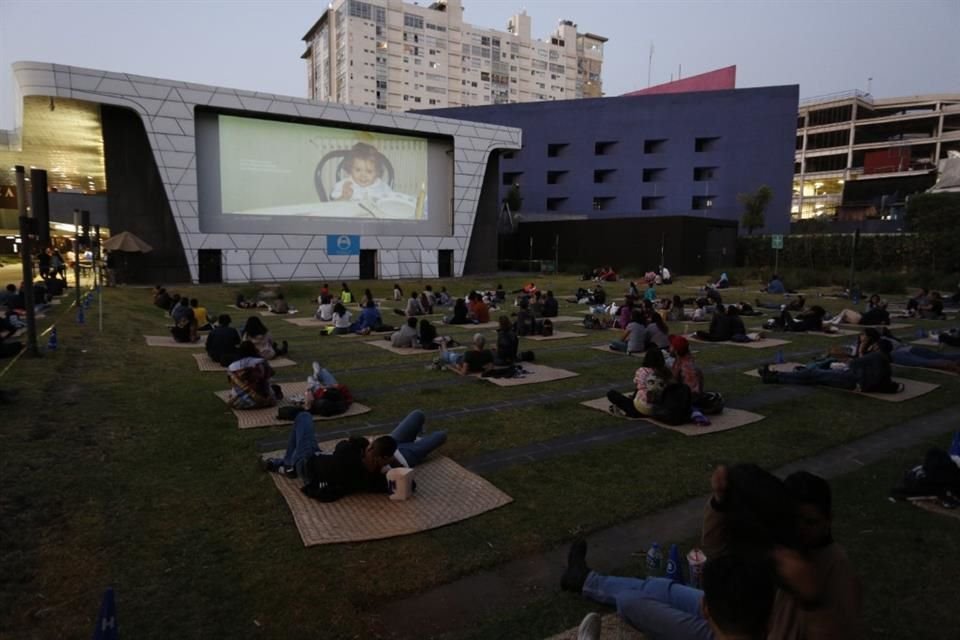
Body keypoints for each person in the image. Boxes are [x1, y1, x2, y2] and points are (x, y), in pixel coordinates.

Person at [704, 466, 862, 639]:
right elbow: (715, 551)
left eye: (810, 522)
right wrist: (719, 502)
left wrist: (811, 600)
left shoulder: (835, 565)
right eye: (794, 520)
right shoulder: (778, 548)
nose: (801, 529)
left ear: (827, 521)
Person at [563, 541, 777, 640]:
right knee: (659, 588)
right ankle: (582, 578)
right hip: (745, 622)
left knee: (630, 601)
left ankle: (584, 580)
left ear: (705, 609)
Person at [261, 407, 447, 503]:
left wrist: (388, 462)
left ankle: (288, 464)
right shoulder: (375, 479)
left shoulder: (351, 458)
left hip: (307, 461)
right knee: (424, 421)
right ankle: (415, 438)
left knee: (303, 417)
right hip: (397, 450)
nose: (367, 448)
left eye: (369, 448)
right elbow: (410, 485)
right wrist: (391, 466)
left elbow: (343, 444)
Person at [758, 339, 901, 393]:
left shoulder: (876, 356)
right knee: (814, 377)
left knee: (813, 373)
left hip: (853, 381)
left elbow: (853, 363)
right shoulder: (884, 359)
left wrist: (862, 350)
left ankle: (775, 375)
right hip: (857, 380)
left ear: (877, 346)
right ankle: (772, 378)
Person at [606, 347, 672, 417]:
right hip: (658, 408)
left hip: (640, 408)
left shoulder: (642, 371)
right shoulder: (666, 372)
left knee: (611, 394)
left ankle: (626, 408)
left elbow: (638, 385)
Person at [866, 329, 960, 374]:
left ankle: (952, 365)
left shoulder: (879, 343)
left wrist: (863, 347)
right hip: (911, 348)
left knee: (927, 362)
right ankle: (954, 361)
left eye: (863, 335)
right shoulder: (887, 339)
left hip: (902, 354)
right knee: (943, 356)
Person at [330, 142, 395, 203]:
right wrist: (344, 197)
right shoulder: (345, 185)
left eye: (369, 171)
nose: (363, 176)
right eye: (358, 170)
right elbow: (333, 206)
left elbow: (392, 202)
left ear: (377, 172)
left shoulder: (382, 186)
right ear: (350, 169)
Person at [226, 341, 281, 409]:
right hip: (265, 402)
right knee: (274, 388)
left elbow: (231, 382)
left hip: (239, 403)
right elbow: (271, 373)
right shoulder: (261, 362)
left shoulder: (232, 366)